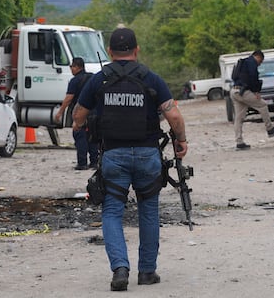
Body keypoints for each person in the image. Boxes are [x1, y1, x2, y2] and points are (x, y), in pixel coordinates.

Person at [73, 27, 188, 291]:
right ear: (136, 50)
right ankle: (147, 272)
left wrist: (82, 126)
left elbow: (78, 117)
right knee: (148, 211)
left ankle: (120, 269)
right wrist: (181, 140)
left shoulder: (98, 80)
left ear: (110, 52)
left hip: (113, 155)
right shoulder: (151, 78)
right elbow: (174, 116)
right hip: (148, 155)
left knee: (112, 211)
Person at [230, 50, 274, 150]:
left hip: (234, 90)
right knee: (263, 105)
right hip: (243, 91)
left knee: (239, 118)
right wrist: (256, 91)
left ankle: (239, 142)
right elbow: (253, 77)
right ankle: (270, 129)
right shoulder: (252, 62)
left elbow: (235, 76)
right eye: (261, 61)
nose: (260, 64)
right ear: (258, 57)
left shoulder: (243, 62)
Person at [55, 57, 98, 170]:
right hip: (94, 112)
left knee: (80, 136)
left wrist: (60, 112)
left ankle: (82, 163)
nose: (71, 69)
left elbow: (69, 98)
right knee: (93, 136)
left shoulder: (74, 81)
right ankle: (94, 162)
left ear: (77, 67)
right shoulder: (93, 77)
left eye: (71, 66)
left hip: (81, 112)